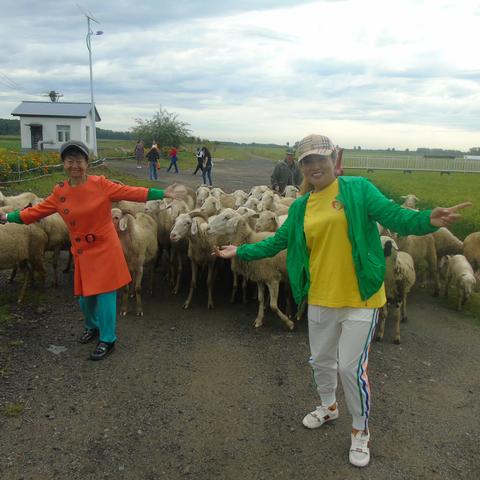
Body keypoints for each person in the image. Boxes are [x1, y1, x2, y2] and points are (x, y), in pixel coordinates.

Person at [214, 133, 470, 468]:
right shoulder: (302, 206)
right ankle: (328, 407)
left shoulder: (358, 190)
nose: (314, 165)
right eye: (307, 161)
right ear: (303, 168)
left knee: (351, 369)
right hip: (321, 297)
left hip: (360, 299)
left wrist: (427, 220)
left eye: (320, 158)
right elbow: (278, 241)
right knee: (320, 360)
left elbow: (395, 216)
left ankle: (360, 431)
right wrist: (242, 250)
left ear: (334, 159)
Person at [0, 140, 188, 361]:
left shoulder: (100, 184)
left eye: (79, 160)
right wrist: (8, 217)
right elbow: (37, 211)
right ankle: (93, 326)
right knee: (84, 299)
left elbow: (131, 191)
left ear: (87, 163)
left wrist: (162, 193)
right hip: (82, 251)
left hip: (105, 248)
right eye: (70, 161)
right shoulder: (60, 192)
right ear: (64, 164)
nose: (75, 165)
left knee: (106, 297)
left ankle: (108, 339)